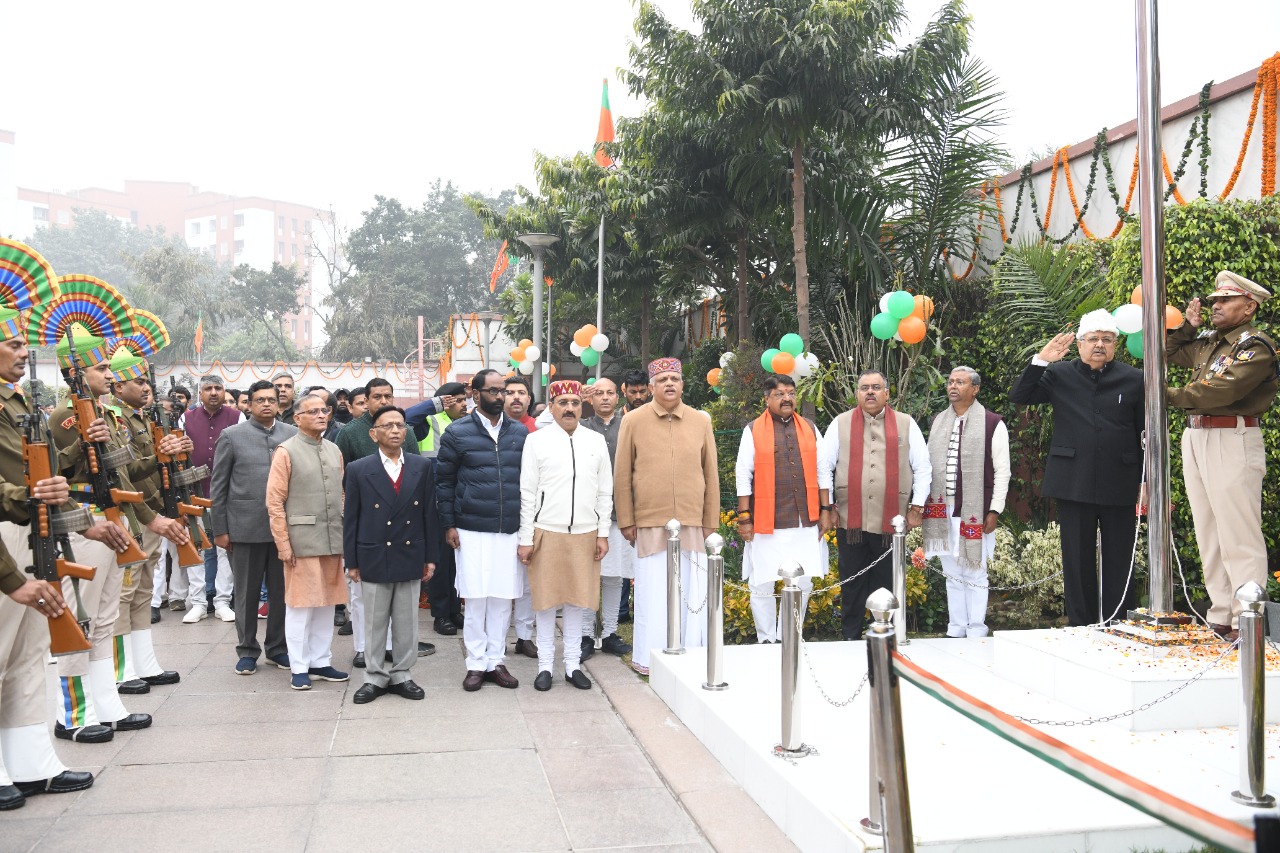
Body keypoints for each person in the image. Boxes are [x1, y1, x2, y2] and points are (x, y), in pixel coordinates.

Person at [47, 326, 189, 738]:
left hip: (116, 521)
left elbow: (123, 474)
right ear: (77, 370)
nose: (111, 375)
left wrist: (158, 457)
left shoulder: (105, 413)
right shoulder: (65, 416)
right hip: (85, 523)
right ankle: (72, 713)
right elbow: (54, 475)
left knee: (106, 618)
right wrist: (81, 445)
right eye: (102, 367)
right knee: (83, 620)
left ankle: (105, 701)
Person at [0, 292, 95, 800]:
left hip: (32, 527)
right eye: (12, 343)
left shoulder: (17, 400)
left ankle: (32, 762)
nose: (22, 351)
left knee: (29, 653)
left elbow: (57, 467)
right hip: (5, 531)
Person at [1009, 310, 1145, 627]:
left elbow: (1144, 433)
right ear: (1080, 343)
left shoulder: (1134, 378)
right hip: (1074, 480)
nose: (1100, 345)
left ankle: (1119, 621)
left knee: (1120, 558)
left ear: (1116, 344)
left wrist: (1145, 480)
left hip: (1120, 480)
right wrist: (1042, 359)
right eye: (1093, 339)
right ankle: (1081, 625)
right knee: (1077, 558)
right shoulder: (1059, 374)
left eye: (1107, 339)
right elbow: (1020, 395)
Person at [1167, 272, 1278, 640]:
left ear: (1249, 306)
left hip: (1232, 434)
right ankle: (1220, 614)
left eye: (1225, 301)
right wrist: (1186, 327)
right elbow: (1162, 352)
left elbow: (1221, 390)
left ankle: (1247, 620)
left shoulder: (1255, 346)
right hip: (1197, 435)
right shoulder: (1209, 342)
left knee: (1238, 532)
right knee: (1209, 531)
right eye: (1213, 300)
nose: (1215, 305)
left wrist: (1162, 395)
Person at [614, 358, 719, 676]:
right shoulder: (633, 421)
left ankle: (691, 655)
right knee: (652, 590)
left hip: (692, 520)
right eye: (662, 380)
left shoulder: (701, 421)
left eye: (675, 378)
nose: (669, 384)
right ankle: (650, 658)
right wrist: (627, 519)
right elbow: (622, 475)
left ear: (683, 384)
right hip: (648, 519)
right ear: (650, 387)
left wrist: (709, 520)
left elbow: (710, 473)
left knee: (693, 589)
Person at [436, 369, 528, 691]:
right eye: (493, 391)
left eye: (503, 390)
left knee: (503, 599)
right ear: (476, 394)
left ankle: (496, 661)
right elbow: (443, 483)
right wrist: (448, 525)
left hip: (508, 528)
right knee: (475, 598)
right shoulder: (457, 433)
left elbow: (528, 485)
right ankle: (475, 664)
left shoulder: (519, 434)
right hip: (471, 528)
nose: (501, 396)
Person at [821, 370, 931, 640]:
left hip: (891, 523)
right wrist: (828, 508)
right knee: (852, 583)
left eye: (876, 387)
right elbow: (823, 468)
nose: (870, 392)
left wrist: (916, 508)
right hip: (850, 521)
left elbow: (923, 468)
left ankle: (886, 636)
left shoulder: (906, 424)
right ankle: (850, 637)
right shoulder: (840, 423)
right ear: (857, 394)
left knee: (886, 582)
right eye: (864, 388)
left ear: (887, 393)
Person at [344, 405, 441, 703]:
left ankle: (402, 674)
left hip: (410, 552)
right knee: (373, 622)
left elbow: (428, 514)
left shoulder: (420, 467)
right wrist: (353, 561)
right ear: (374, 434)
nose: (396, 430)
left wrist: (430, 557)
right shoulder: (359, 469)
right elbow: (352, 519)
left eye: (400, 425)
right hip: (374, 553)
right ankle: (374, 677)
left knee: (406, 621)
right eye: (388, 426)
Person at [518, 381, 612, 691]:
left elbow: (604, 492)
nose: (569, 407)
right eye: (562, 402)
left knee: (577, 602)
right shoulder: (537, 441)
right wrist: (526, 537)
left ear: (581, 406)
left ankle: (572, 665)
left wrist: (603, 532)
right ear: (552, 406)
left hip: (585, 533)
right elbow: (527, 492)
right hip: (548, 531)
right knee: (546, 603)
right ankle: (545, 666)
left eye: (574, 402)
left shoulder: (595, 441)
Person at [107, 348, 187, 693]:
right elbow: (125, 472)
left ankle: (144, 663)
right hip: (132, 515)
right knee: (123, 595)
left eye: (145, 381)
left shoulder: (139, 417)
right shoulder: (117, 418)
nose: (146, 387)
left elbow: (150, 466)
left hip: (150, 509)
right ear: (118, 385)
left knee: (143, 592)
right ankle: (121, 670)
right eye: (137, 381)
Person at [335, 378, 429, 667]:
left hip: (405, 532)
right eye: (377, 397)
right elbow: (344, 486)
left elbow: (420, 490)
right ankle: (366, 652)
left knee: (404, 612)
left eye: (388, 396)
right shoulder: (351, 436)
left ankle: (400, 665)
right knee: (366, 603)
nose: (384, 401)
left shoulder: (410, 442)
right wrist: (351, 558)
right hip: (370, 531)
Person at [208, 379, 297, 674]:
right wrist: (219, 529)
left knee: (281, 592)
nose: (267, 404)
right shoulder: (232, 436)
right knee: (245, 594)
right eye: (260, 400)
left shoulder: (292, 435)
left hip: (283, 530)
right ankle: (247, 650)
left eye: (271, 399)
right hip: (244, 528)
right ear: (248, 404)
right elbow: (218, 486)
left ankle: (277, 648)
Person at [735, 374, 831, 643]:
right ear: (766, 399)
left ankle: (790, 635)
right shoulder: (752, 430)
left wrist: (825, 510)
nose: (787, 398)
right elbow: (743, 474)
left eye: (791, 392)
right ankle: (766, 638)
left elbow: (824, 472)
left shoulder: (810, 428)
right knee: (762, 581)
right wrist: (745, 518)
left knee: (802, 582)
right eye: (779, 394)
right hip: (767, 521)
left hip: (805, 519)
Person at [265, 392, 348, 690]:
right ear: (297, 418)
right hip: (301, 541)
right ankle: (299, 666)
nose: (321, 415)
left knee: (327, 604)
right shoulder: (285, 451)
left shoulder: (333, 449)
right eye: (312, 411)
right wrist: (283, 545)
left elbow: (340, 494)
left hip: (332, 539)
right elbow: (274, 503)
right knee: (300, 607)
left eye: (324, 410)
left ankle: (320, 661)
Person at [922, 367, 1011, 639]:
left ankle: (976, 628)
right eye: (950, 381)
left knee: (975, 569)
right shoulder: (939, 421)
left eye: (960, 382)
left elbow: (1003, 471)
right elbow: (927, 466)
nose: (953, 386)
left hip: (974, 510)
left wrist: (994, 509)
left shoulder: (992, 423)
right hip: (941, 510)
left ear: (975, 389)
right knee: (951, 571)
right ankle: (956, 627)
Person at [171, 374, 238, 624]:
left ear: (224, 392)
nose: (213, 392)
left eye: (217, 388)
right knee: (196, 548)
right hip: (193, 493)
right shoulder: (185, 418)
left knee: (224, 549)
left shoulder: (236, 417)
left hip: (226, 493)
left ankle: (222, 601)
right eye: (207, 389)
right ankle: (198, 602)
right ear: (199, 394)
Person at [405, 382, 467, 636]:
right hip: (435, 498)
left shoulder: (467, 423)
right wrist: (436, 404)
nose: (464, 404)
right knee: (440, 560)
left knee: (457, 561)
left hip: (460, 496)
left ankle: (454, 610)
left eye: (466, 399)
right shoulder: (427, 422)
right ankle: (441, 614)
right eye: (459, 400)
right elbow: (406, 418)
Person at [579, 377, 633, 658]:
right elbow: (544, 423)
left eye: (610, 393)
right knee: (590, 577)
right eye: (598, 393)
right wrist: (576, 393)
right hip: (588, 515)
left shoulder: (629, 425)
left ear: (618, 396)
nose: (604, 398)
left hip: (619, 514)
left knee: (614, 577)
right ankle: (587, 635)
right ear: (590, 398)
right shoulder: (581, 426)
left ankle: (609, 632)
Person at [504, 376, 539, 657]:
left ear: (530, 399)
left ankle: (525, 636)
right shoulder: (495, 429)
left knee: (528, 581)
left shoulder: (539, 430)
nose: (516, 397)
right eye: (510, 392)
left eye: (521, 393)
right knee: (502, 581)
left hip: (533, 516)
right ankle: (497, 637)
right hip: (500, 516)